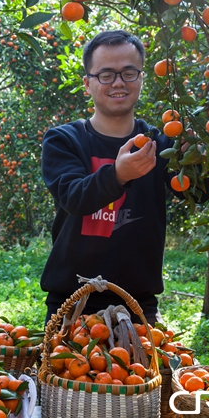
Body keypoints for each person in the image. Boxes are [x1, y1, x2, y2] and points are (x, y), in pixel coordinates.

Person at [41, 30, 187, 326]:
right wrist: (119, 174)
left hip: (138, 308)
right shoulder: (64, 140)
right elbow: (73, 197)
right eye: (106, 74)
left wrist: (207, 157)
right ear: (88, 83)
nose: (118, 82)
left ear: (141, 78)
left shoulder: (162, 144)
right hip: (71, 305)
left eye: (128, 72)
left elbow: (198, 192)